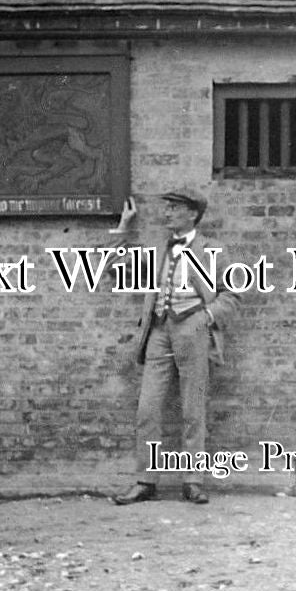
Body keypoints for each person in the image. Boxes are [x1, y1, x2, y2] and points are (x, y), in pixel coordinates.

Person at [112, 189, 240, 505]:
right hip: (158, 331)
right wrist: (123, 228)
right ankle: (145, 481)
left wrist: (206, 317)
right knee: (147, 408)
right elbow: (118, 265)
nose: (167, 213)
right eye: (167, 208)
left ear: (192, 214)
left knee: (192, 409)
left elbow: (232, 294)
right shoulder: (158, 248)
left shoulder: (212, 249)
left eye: (174, 208)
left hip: (193, 330)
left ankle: (193, 481)